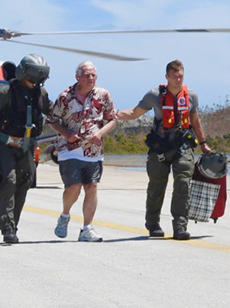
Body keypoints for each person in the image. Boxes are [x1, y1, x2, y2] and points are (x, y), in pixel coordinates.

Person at [116, 60, 213, 240]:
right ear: (167, 76)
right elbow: (134, 113)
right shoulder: (153, 95)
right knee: (156, 185)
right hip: (159, 148)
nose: (178, 79)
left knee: (183, 184)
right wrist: (113, 114)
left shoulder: (191, 96)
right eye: (174, 76)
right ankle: (153, 223)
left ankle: (180, 227)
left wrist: (203, 143)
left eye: (181, 76)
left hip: (183, 146)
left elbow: (195, 120)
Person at [0, 54, 52, 244]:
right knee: (9, 180)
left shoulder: (41, 94)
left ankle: (13, 223)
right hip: (4, 145)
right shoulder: (5, 93)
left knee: (26, 180)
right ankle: (7, 226)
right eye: (32, 79)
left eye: (38, 80)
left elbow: (52, 111)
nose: (34, 83)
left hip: (27, 146)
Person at [48, 61, 117, 242]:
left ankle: (87, 228)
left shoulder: (103, 95)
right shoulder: (65, 97)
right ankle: (65, 215)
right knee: (74, 186)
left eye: (94, 75)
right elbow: (52, 120)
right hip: (69, 150)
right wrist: (67, 134)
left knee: (92, 187)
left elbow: (112, 119)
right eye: (87, 75)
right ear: (77, 77)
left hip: (94, 151)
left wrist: (100, 133)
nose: (91, 78)